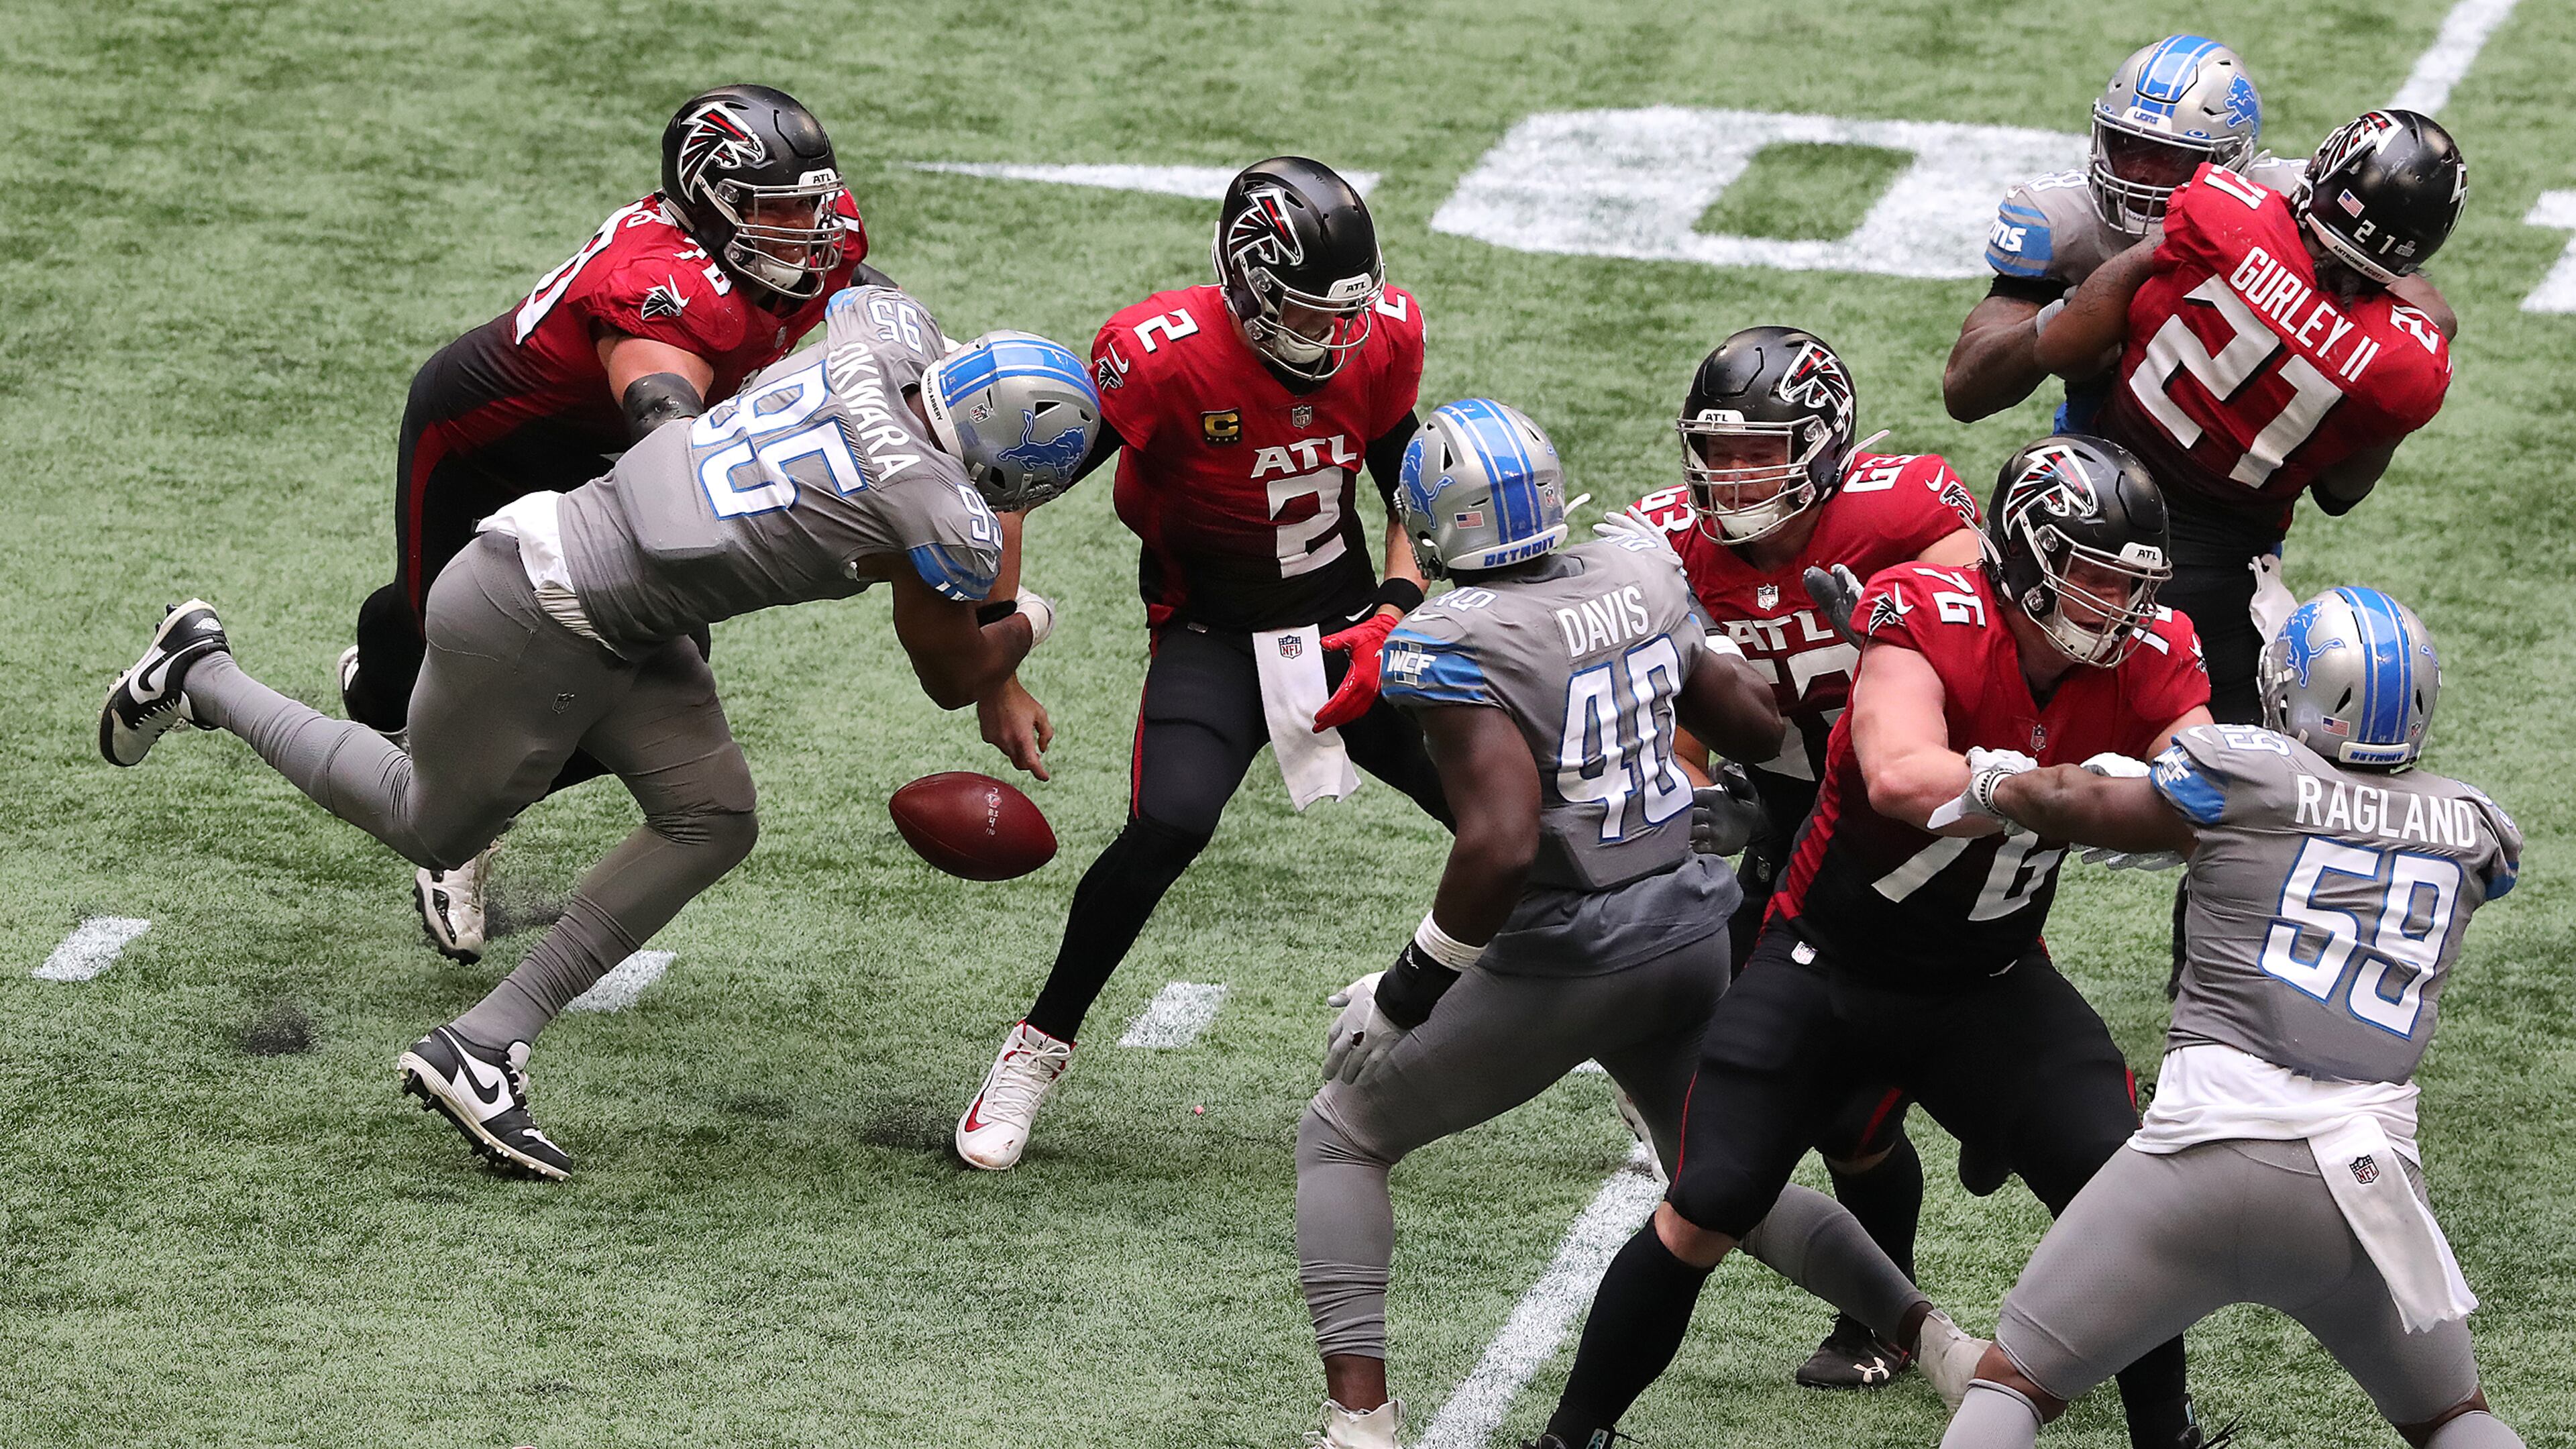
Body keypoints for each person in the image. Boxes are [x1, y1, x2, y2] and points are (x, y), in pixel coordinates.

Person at [101, 285, 1100, 1182]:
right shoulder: (938, 509)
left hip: (612, 597)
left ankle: (483, 1047)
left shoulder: (885, 338)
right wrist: (1034, 619)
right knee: (429, 825)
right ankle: (202, 675)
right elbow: (950, 671)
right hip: (536, 615)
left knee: (712, 816)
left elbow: (877, 306)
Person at [1295, 399, 1985, 1449]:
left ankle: (1360, 1429)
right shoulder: (1639, 570)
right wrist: (1751, 804)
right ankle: (1938, 1341)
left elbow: (1501, 846)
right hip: (1691, 929)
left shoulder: (1448, 637)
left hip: (1570, 955)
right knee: (1722, 1185)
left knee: (1340, 1134)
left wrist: (1406, 992)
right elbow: (1756, 722)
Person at [1526, 435, 2226, 1449]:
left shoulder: (2156, 649)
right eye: (2094, 579)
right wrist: (2041, 791)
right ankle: (1573, 1435)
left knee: (2126, 1192)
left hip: (1990, 981)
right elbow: (1899, 776)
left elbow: (2197, 786)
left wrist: (2171, 799)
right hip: (1826, 968)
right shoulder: (1926, 612)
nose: (2119, 608)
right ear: (2027, 560)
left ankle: (2170, 1436)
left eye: (2133, 586)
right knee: (1708, 1202)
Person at [1940, 586, 2524, 1449]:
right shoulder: (2474, 829)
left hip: (2201, 1159)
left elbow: (2078, 800)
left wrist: (1992, 781)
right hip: (2360, 1186)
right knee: (2453, 1421)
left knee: (2014, 1384)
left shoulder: (2250, 771)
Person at [340, 84, 904, 963]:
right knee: (436, 637)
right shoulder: (661, 285)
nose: (806, 230)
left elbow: (865, 297)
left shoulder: (807, 240)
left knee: (663, 689)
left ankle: (468, 817)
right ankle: (389, 702)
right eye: (776, 207)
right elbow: (667, 436)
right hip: (483, 442)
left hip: (593, 456)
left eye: (809, 204)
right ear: (710, 203)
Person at [955, 157, 1443, 1172]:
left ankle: (1607, 1049)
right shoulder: (1162, 356)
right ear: (1250, 284)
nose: (1334, 334)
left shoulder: (1380, 331)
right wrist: (994, 661)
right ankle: (1036, 1048)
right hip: (1213, 636)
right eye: (1308, 313)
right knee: (1168, 823)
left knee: (1508, 821)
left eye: (1345, 311)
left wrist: (1396, 610)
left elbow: (1418, 492)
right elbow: (1014, 482)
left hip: (1349, 622)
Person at [1633, 325, 1984, 1389]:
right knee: (1824, 1106)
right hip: (1786, 832)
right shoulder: (1667, 546)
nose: (1734, 476)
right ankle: (1878, 1316)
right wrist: (1713, 802)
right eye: (1718, 451)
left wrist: (1891, 622)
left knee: (1917, 1081)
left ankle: (1988, 1121)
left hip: (1915, 831)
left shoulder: (1905, 511)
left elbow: (1989, 662)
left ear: (1826, 447)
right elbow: (1676, 741)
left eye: (1763, 451)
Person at [2035, 108, 2464, 724]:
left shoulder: (2222, 212)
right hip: (2217, 581)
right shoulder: (2406, 362)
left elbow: (2060, 349)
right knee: (2208, 769)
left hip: (2090, 502)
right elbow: (2341, 491)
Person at [1945, 36, 2290, 431]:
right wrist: (2061, 324)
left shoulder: (2286, 207)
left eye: (2169, 157)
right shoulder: (2062, 221)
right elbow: (1963, 391)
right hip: (2103, 451)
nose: (2139, 172)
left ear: (2230, 163)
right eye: (2126, 145)